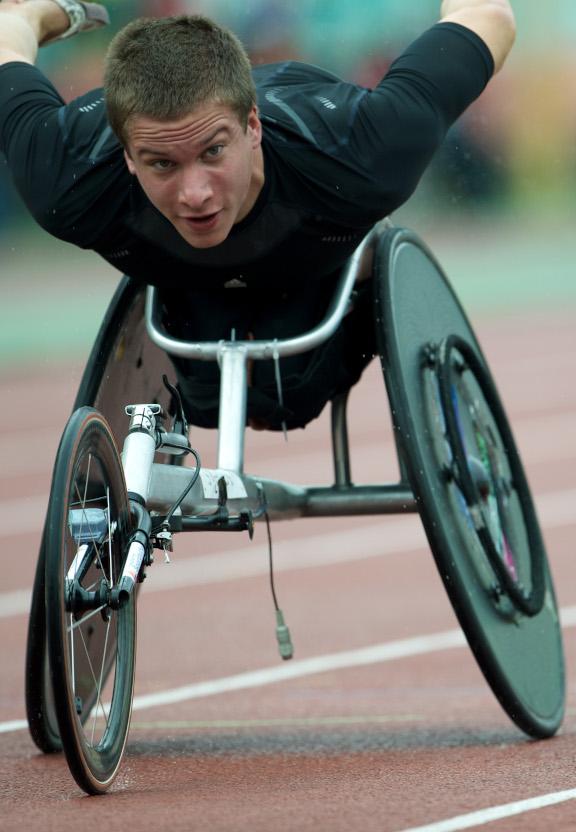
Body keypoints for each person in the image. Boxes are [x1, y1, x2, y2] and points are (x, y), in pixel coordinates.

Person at [0, 0, 516, 430]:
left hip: (318, 267)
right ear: (129, 158)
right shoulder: (67, 180)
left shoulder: (363, 151)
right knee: (209, 403)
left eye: (213, 152)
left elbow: (488, 18)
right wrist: (40, 16)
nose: (195, 193)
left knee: (289, 397)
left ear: (252, 127)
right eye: (162, 164)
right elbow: (7, 35)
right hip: (185, 291)